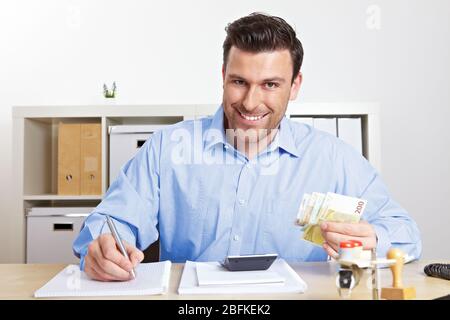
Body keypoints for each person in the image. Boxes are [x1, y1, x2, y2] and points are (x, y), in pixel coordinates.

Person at [73, 12, 421, 281]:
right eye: (239, 82)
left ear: (295, 85)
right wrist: (102, 245)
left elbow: (405, 233)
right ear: (223, 75)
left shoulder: (333, 158)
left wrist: (374, 238)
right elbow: (111, 220)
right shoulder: (167, 148)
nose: (251, 102)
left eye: (270, 84)